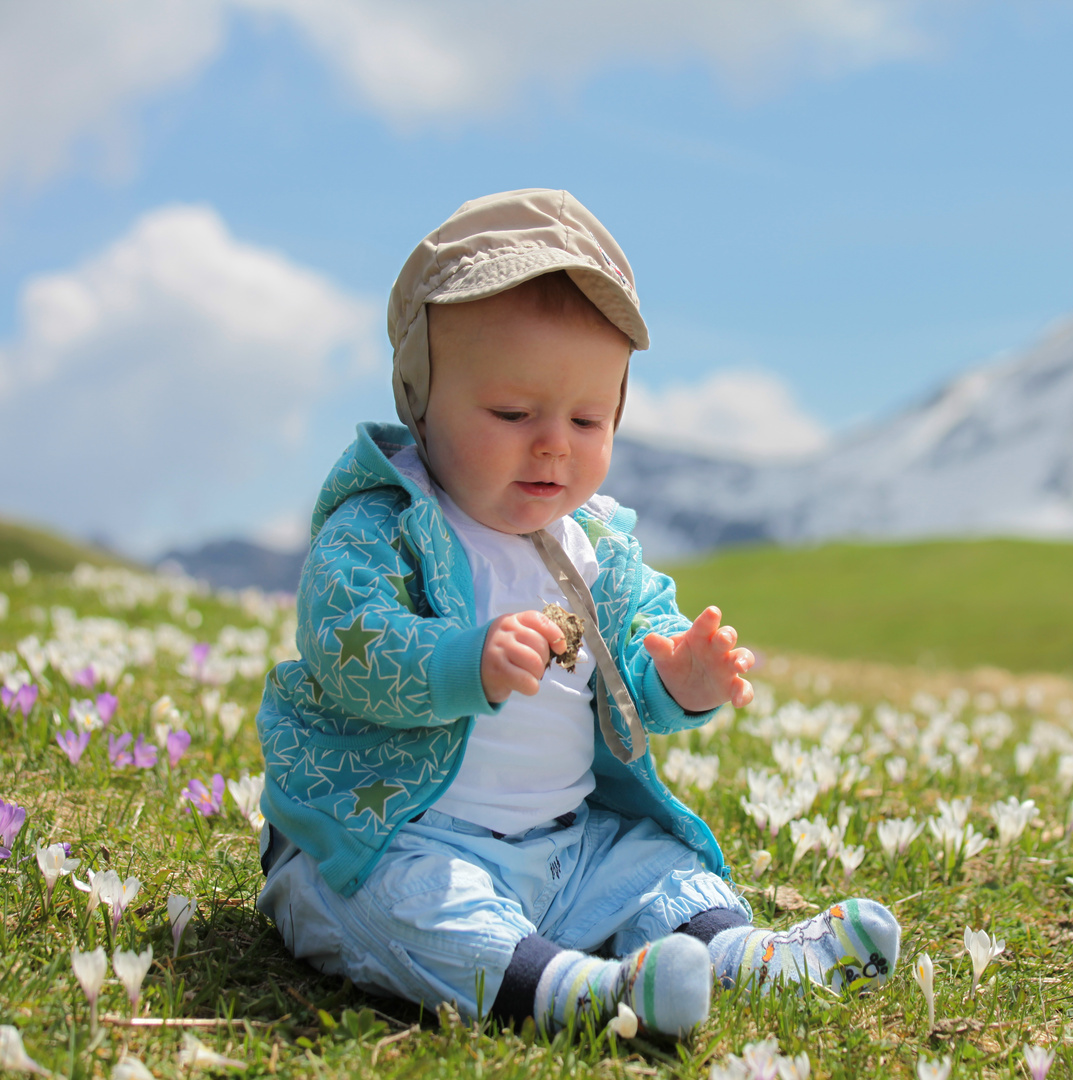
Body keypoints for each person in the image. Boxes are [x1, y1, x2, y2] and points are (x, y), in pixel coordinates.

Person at [253, 189, 899, 1037]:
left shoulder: (598, 547)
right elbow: (346, 643)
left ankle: (737, 952)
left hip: (567, 842)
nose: (553, 442)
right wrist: (463, 660)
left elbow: (633, 664)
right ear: (421, 396)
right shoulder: (386, 521)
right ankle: (581, 993)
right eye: (513, 414)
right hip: (396, 836)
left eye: (588, 418)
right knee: (409, 907)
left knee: (652, 866)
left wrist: (679, 680)